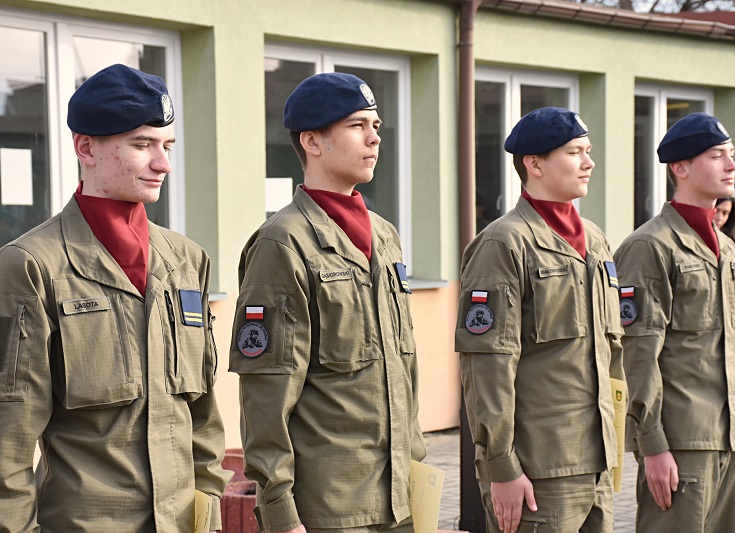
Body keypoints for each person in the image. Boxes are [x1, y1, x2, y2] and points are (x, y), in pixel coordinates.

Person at [0, 64, 230, 532]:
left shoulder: (188, 260)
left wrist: (207, 512)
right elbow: (9, 441)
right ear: (85, 148)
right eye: (142, 145)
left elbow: (203, 416)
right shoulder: (32, 265)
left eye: (167, 146)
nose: (163, 164)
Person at [230, 72, 425, 532]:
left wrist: (417, 473)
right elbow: (267, 392)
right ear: (312, 141)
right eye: (357, 126)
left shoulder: (384, 235)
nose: (374, 138)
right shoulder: (283, 243)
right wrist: (280, 510)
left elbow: (403, 368)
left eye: (375, 126)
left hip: (400, 496)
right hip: (331, 506)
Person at [456, 107, 624, 533]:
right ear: (534, 164)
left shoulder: (595, 240)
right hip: (538, 469)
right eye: (574, 152)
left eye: (588, 151)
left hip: (596, 461)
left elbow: (611, 353)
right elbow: (487, 365)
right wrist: (501, 466)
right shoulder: (504, 243)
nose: (588, 162)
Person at [614, 112, 735, 532]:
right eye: (716, 155)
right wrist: (652, 445)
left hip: (728, 437)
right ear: (680, 168)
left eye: (731, 154)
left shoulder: (726, 248)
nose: (731, 165)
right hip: (680, 441)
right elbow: (638, 354)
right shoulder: (650, 246)